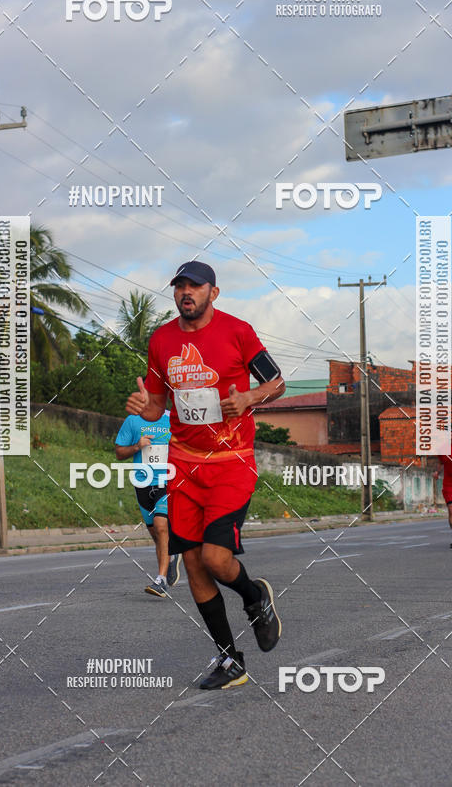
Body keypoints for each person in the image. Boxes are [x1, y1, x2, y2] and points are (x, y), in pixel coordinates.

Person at [125, 260, 285, 690]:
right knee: (194, 564)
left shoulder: (238, 331)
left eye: (195, 286)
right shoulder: (161, 339)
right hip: (184, 464)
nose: (185, 293)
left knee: (216, 559)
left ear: (214, 292)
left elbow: (278, 383)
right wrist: (147, 409)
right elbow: (159, 405)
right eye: (179, 287)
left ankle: (256, 599)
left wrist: (249, 395)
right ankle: (231, 661)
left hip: (231, 461)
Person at [115, 410, 180, 597]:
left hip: (168, 481)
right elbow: (120, 452)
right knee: (156, 534)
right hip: (143, 483)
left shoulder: (173, 419)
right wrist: (137, 446)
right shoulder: (133, 421)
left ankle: (160, 580)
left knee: (161, 527)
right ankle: (172, 555)